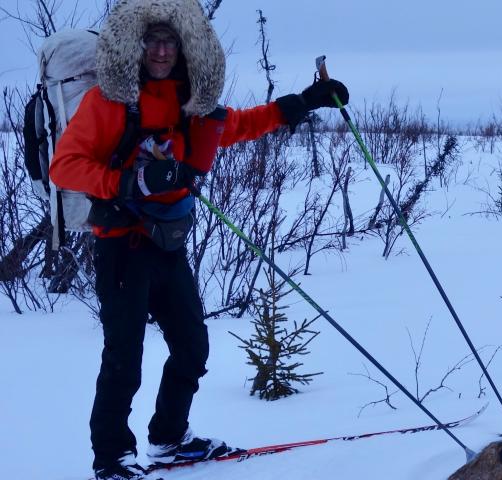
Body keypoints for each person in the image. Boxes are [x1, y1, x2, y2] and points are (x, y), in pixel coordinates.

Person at [49, 1, 348, 479]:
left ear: (184, 48)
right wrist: (127, 184)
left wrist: (305, 102)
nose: (162, 51)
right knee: (124, 358)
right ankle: (111, 459)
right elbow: (63, 165)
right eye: (153, 41)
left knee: (192, 346)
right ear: (136, 46)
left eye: (171, 42)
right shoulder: (107, 103)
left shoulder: (191, 100)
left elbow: (240, 125)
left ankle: (169, 439)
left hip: (169, 243)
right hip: (122, 245)